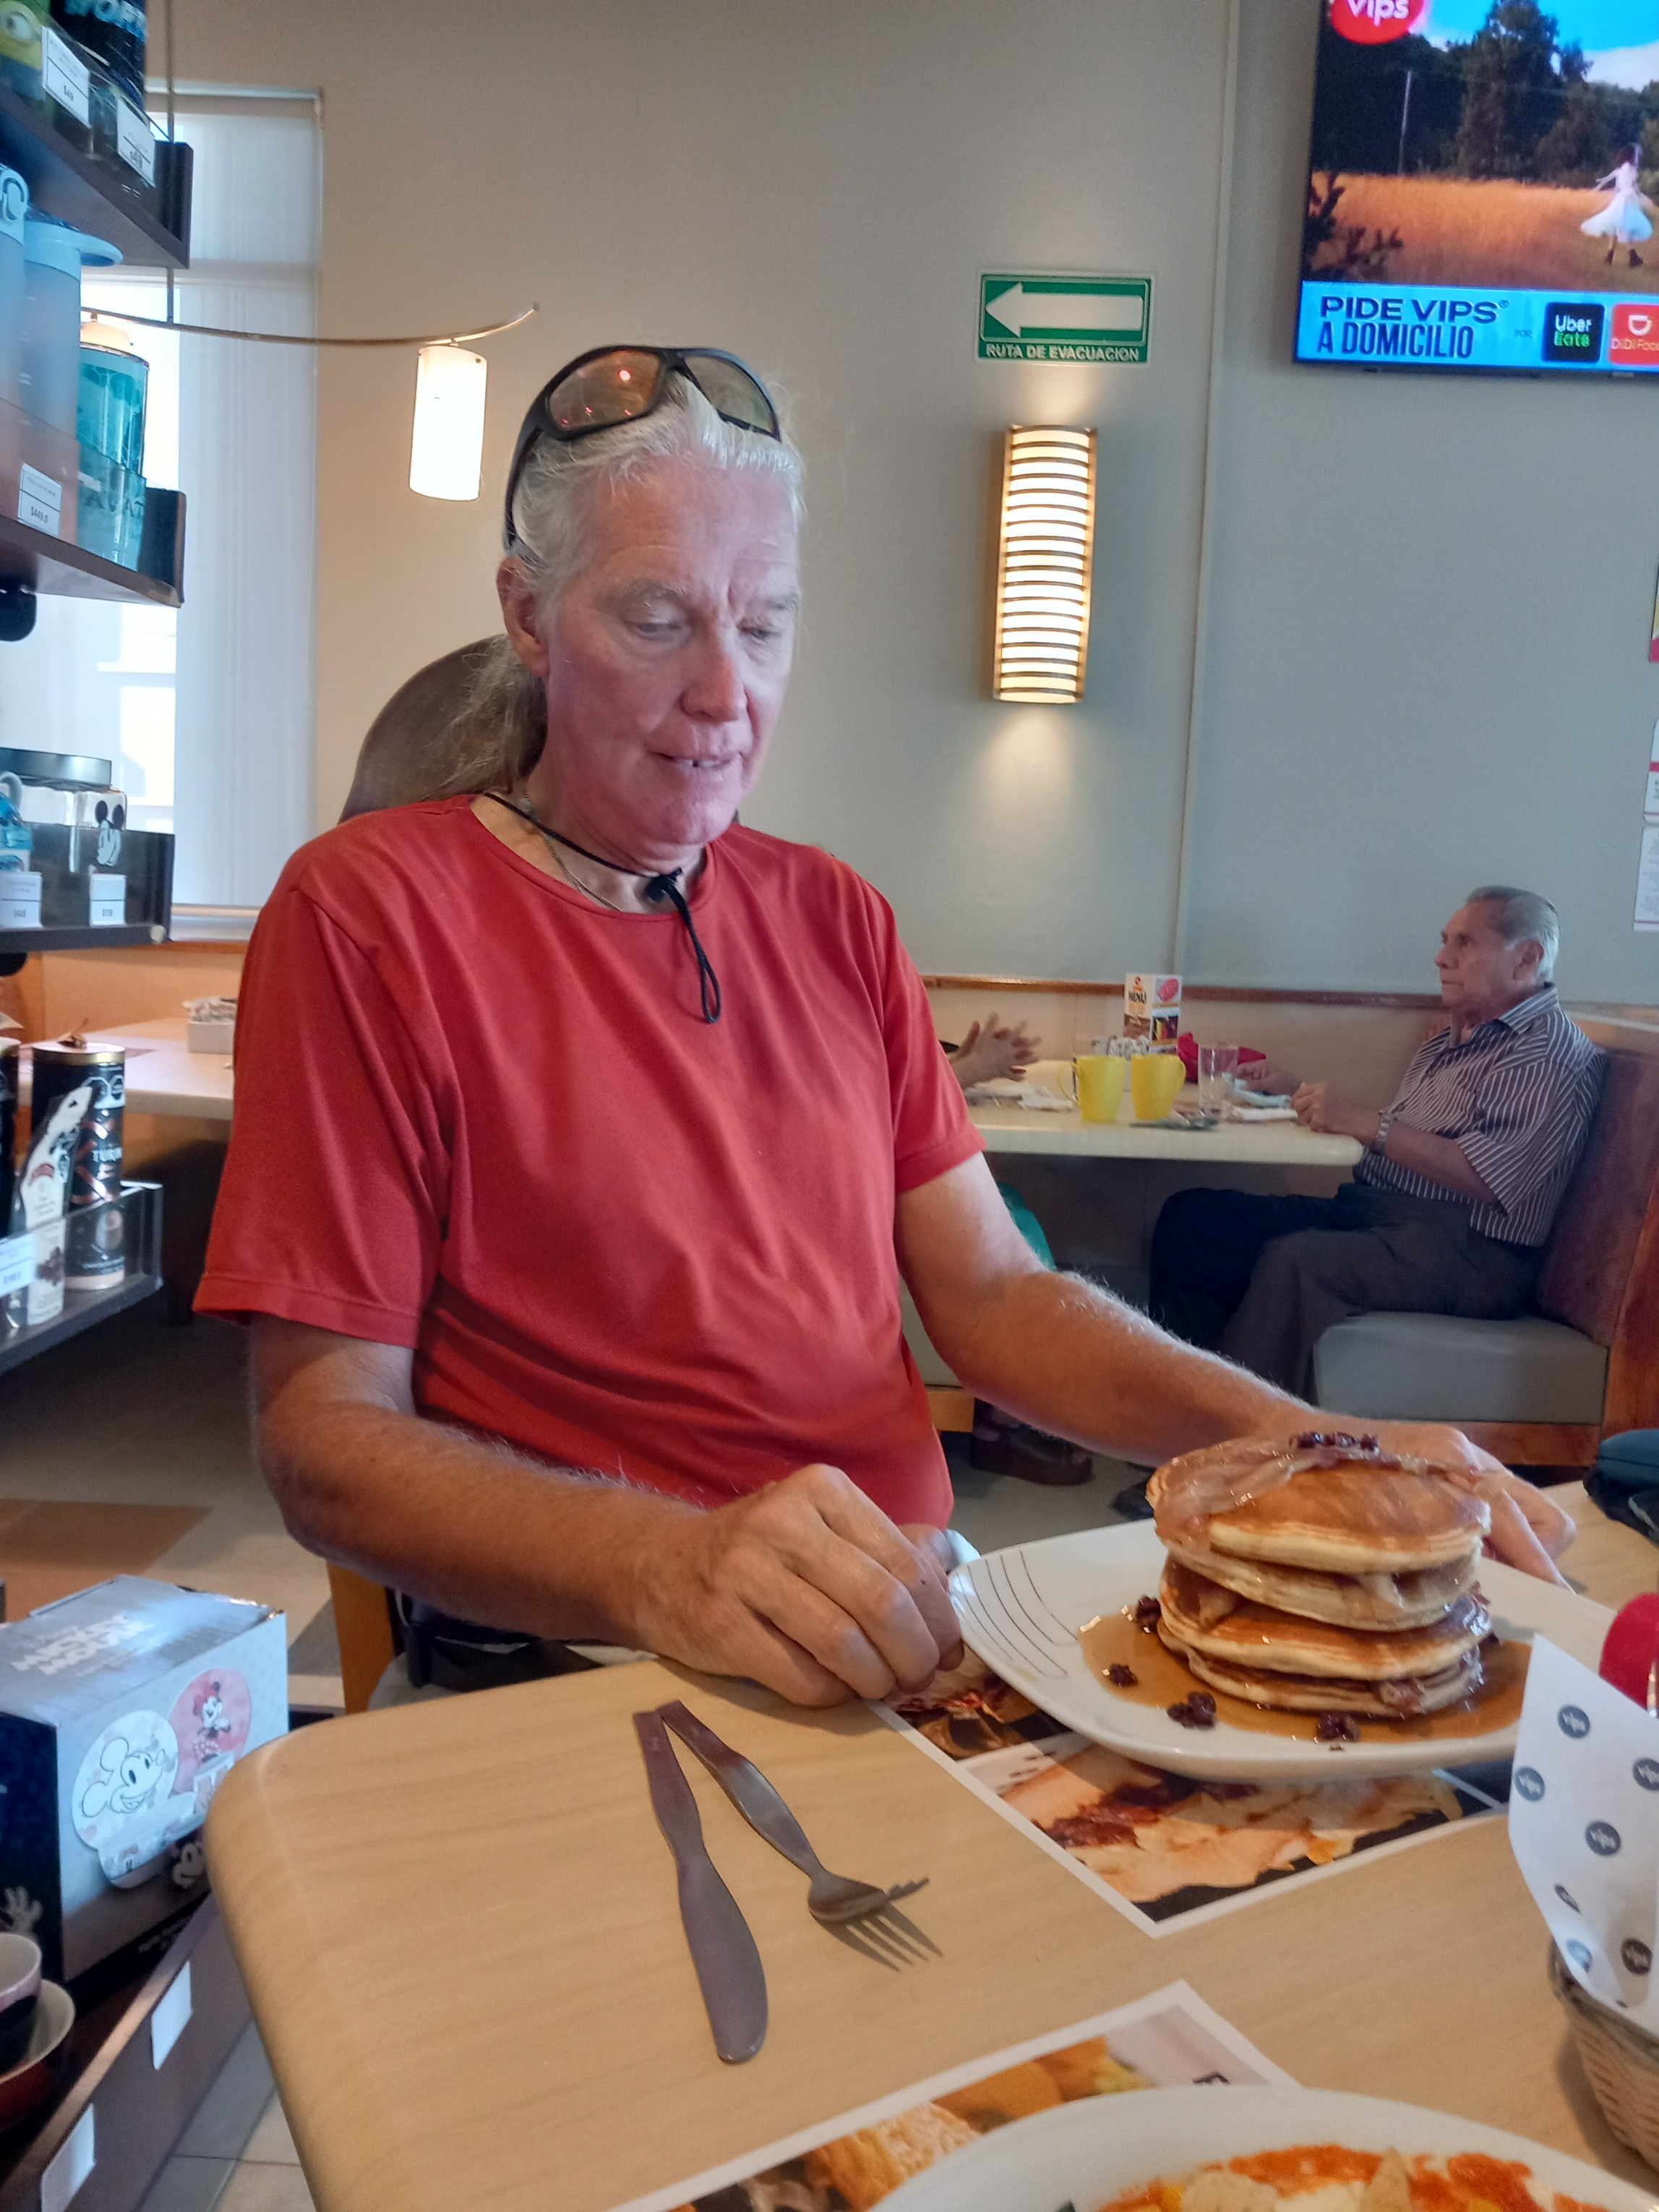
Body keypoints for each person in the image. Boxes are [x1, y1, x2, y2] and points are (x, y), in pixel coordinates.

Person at [197, 351, 1572, 1714]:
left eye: (765, 625)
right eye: (657, 621)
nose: (725, 694)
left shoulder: (835, 915)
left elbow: (994, 1298)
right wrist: (667, 1563)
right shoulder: (371, 913)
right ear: (529, 616)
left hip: (913, 1644)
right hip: (596, 1668)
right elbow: (324, 1439)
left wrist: (1311, 1439)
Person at [1149, 888, 1602, 1399]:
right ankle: (1185, 1402)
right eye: (1445, 941)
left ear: (1527, 958)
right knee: (1196, 1221)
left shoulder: (1546, 1053)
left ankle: (1232, 1427)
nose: (1441, 957)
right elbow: (1407, 1134)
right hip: (1379, 1213)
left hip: (1469, 1251)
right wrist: (1294, 1093)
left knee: (1297, 1261)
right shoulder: (1455, 1037)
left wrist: (1369, 1124)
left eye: (1465, 943)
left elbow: (1488, 1176)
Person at [1582, 145, 1654, 268]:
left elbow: (1618, 187)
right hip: (1628, 200)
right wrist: (1642, 197)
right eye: (1636, 156)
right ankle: (1632, 257)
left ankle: (1611, 256)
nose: (1638, 158)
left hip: (1621, 199)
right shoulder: (1631, 169)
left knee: (1617, 227)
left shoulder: (1622, 169)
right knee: (1625, 227)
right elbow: (1632, 187)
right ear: (1632, 156)